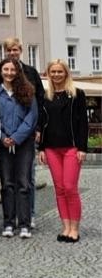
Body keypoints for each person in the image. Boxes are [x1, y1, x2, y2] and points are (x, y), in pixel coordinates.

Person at [0, 38, 45, 229]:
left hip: (24, 140)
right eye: (8, 50)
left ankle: (26, 219)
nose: (9, 72)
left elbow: (33, 113)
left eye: (15, 49)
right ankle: (9, 221)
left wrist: (18, 136)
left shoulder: (29, 82)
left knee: (25, 181)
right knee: (7, 183)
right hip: (3, 140)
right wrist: (2, 137)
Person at [39, 60, 88, 244]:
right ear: (49, 74)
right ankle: (65, 227)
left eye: (60, 71)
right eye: (53, 72)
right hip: (51, 148)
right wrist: (41, 148)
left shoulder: (76, 94)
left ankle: (74, 229)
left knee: (70, 187)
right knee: (59, 189)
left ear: (66, 73)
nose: (57, 75)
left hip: (71, 148)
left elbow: (83, 123)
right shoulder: (46, 96)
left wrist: (82, 148)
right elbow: (42, 124)